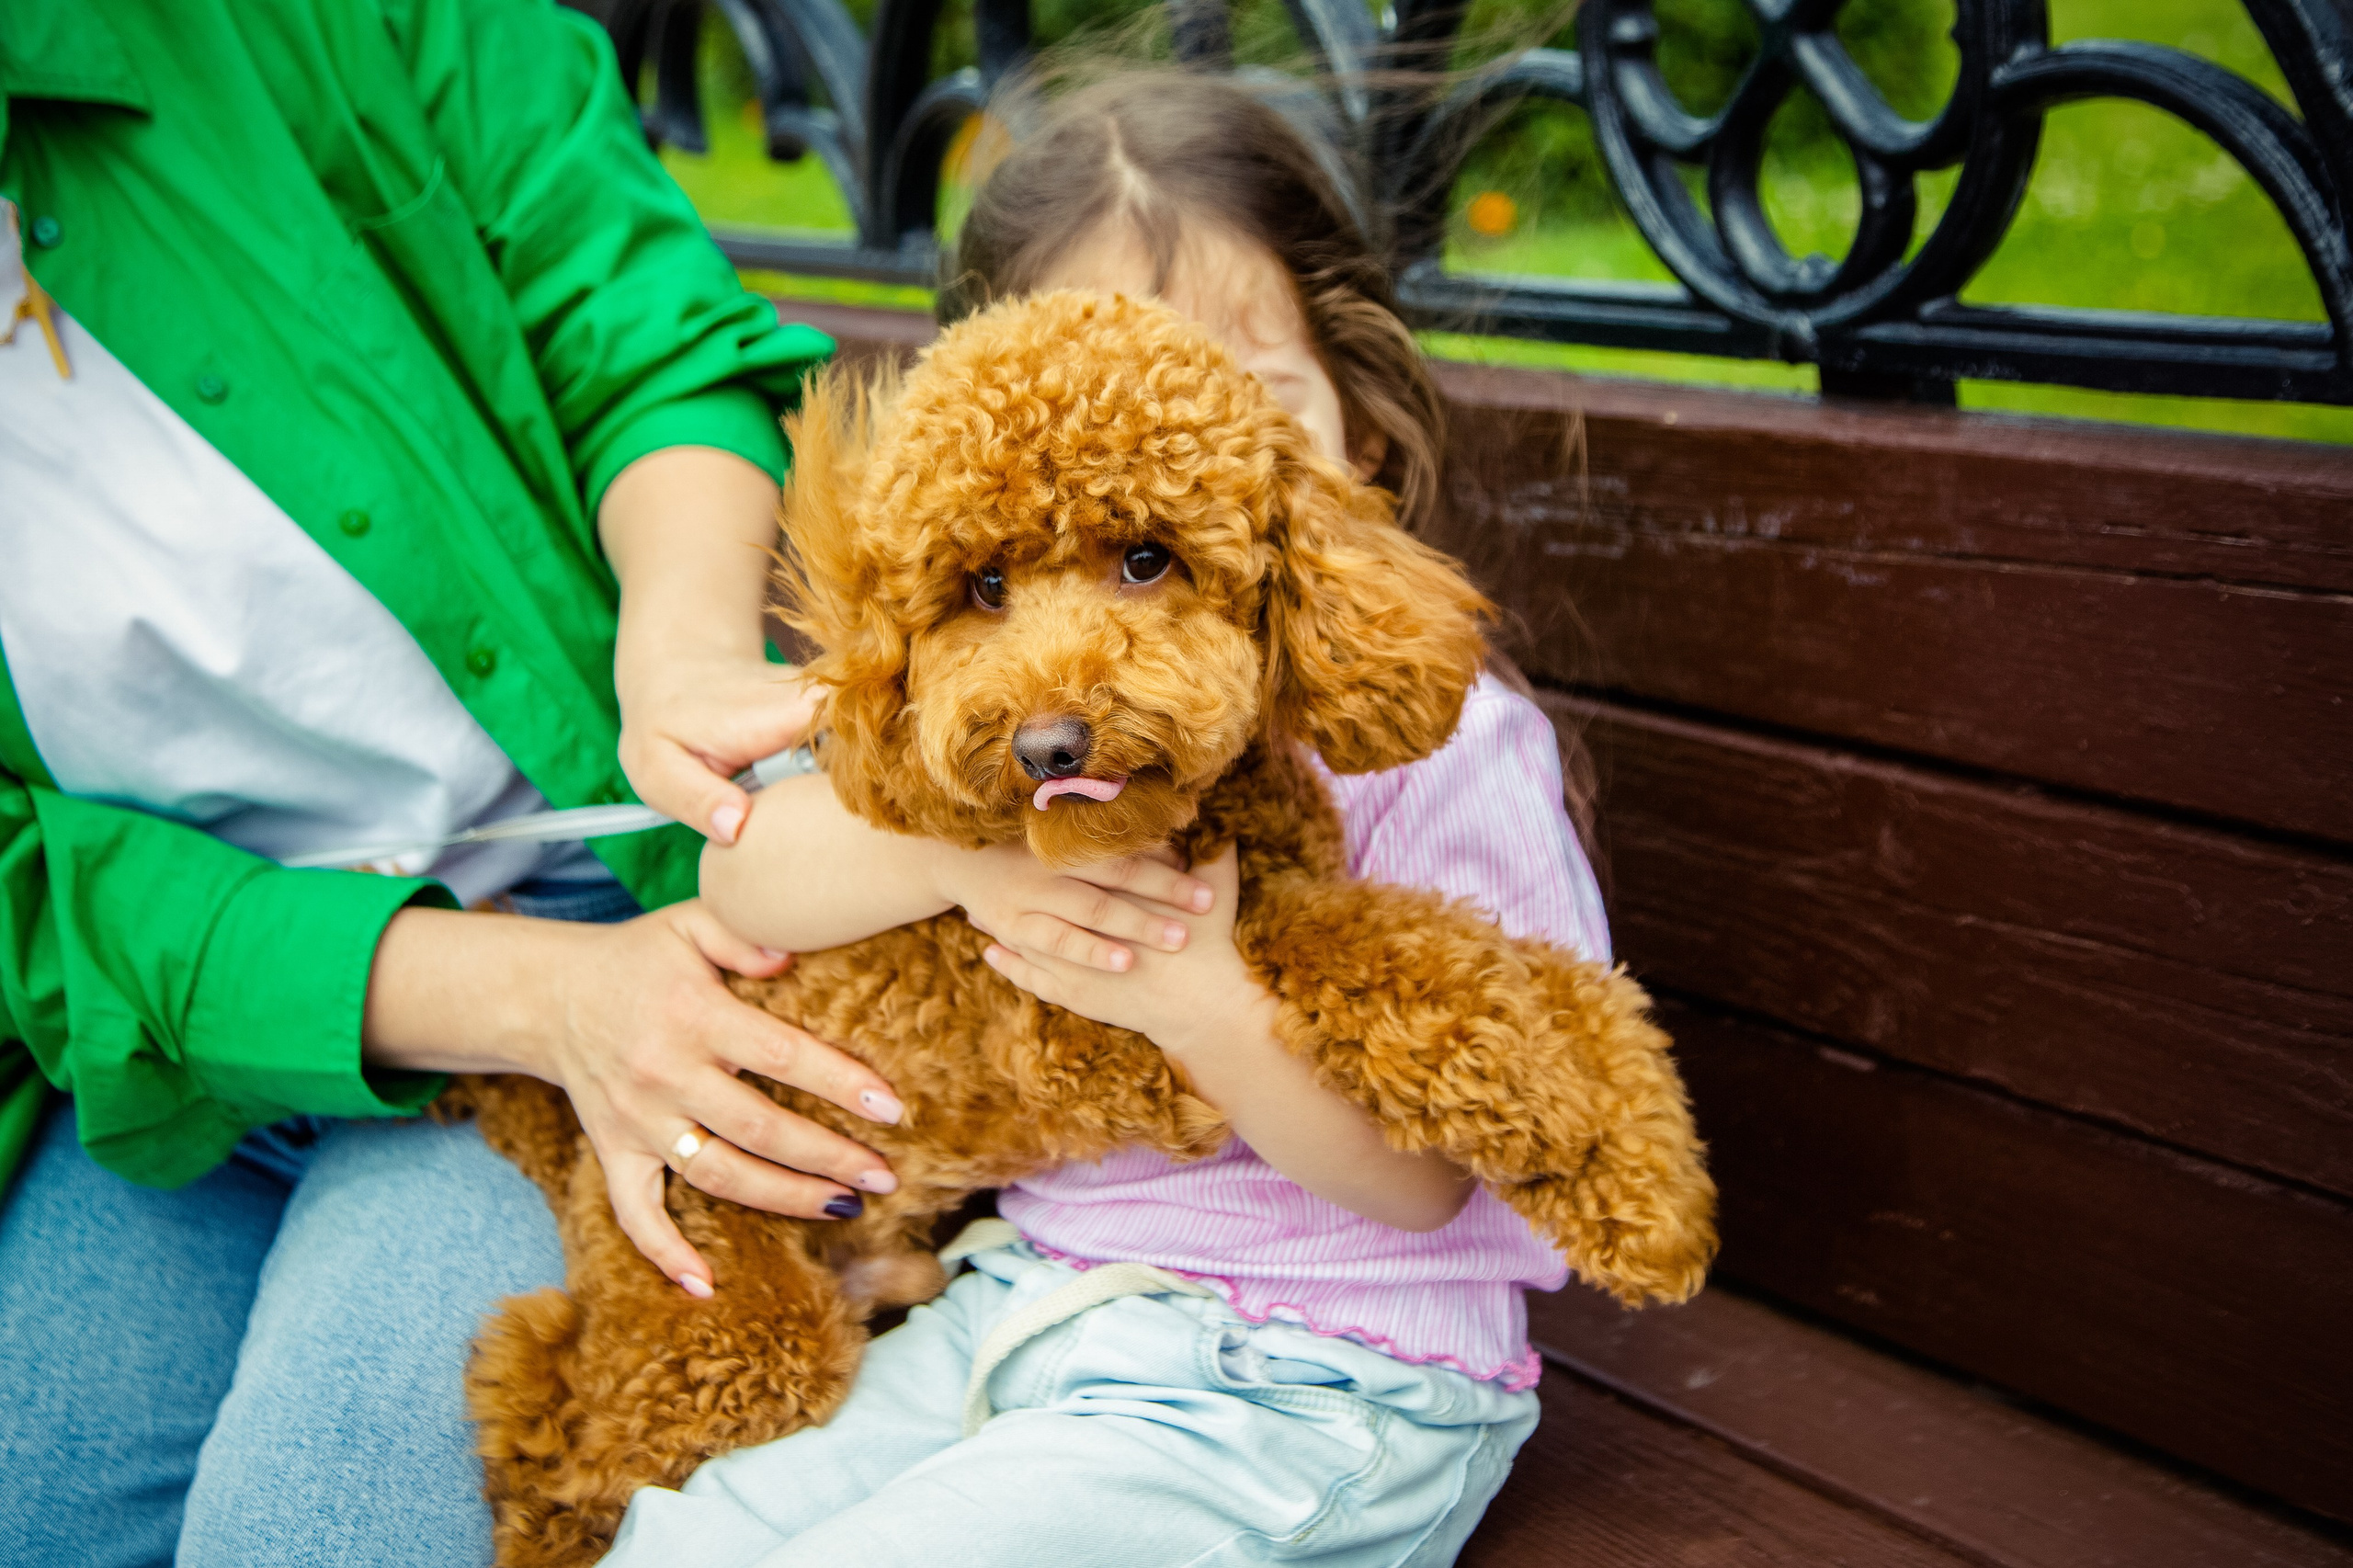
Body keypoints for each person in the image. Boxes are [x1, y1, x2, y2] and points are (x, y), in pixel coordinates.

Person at [604, 72, 1614, 1567]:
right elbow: (746, 878)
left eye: (1241, 411)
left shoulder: (1446, 744)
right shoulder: (1007, 729)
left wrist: (1206, 1003)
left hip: (1317, 1374)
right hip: (1035, 1305)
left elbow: (1435, 1171)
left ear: (1360, 436)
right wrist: (962, 849)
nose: (1195, 455)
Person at [0, 3, 907, 1564]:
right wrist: (533, 995)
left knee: (311, 1530)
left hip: (588, 910)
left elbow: (648, 341)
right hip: (155, 1031)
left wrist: (678, 652)